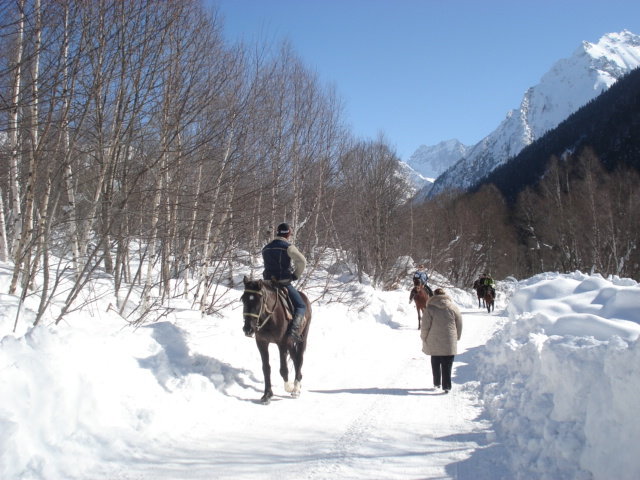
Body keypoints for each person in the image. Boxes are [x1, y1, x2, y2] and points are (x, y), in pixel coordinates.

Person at [262, 222, 307, 342]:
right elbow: (302, 261)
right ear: (288, 234)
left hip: (267, 283)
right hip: (282, 282)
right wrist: (295, 275)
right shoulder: (287, 246)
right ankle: (294, 332)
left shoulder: (266, 248)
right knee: (301, 305)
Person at [420, 288, 463, 393]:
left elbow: (425, 326)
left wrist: (423, 337)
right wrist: (457, 336)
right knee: (447, 364)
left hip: (434, 339)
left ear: (434, 296)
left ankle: (437, 382)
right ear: (445, 295)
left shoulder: (430, 308)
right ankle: (447, 386)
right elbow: (459, 323)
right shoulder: (453, 307)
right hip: (449, 339)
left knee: (435, 361)